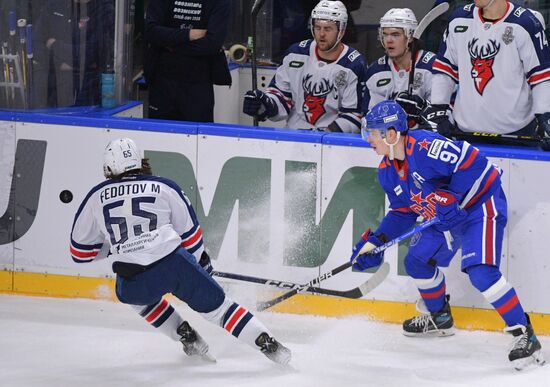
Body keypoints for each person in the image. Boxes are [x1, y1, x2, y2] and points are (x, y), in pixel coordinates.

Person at [351, 100, 544, 370]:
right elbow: (403, 211)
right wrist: (377, 241)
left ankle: (526, 335)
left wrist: (450, 196)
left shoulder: (427, 147)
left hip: (479, 206)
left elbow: (480, 167)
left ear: (391, 133)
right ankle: (440, 318)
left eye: (372, 132)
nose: (368, 138)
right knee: (416, 261)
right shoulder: (387, 171)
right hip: (445, 216)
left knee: (481, 272)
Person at [69, 138, 291, 365]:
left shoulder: (96, 196)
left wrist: (118, 246)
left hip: (133, 279)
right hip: (174, 264)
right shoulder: (165, 186)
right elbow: (192, 238)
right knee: (221, 311)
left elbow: (80, 253)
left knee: (136, 299)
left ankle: (186, 335)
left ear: (108, 167)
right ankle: (269, 344)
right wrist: (200, 268)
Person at [424, 0, 550, 139]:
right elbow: (445, 69)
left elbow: (540, 76)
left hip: (517, 132)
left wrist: (544, 115)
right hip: (464, 131)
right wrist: (438, 107)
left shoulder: (526, 23)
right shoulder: (458, 19)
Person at [242, 0, 366, 133]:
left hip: (332, 143)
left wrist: (323, 135)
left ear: (341, 30)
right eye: (318, 27)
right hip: (295, 137)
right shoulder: (295, 53)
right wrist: (264, 105)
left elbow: (355, 115)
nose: (321, 34)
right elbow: (282, 98)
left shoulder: (353, 64)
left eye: (328, 29)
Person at [144, 0, 231, 122]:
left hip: (198, 86)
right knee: (159, 137)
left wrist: (170, 45)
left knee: (199, 138)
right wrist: (189, 34)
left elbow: (212, 44)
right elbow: (150, 31)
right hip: (162, 83)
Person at [363, 8, 437, 127]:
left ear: (411, 36)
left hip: (423, 140)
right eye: (385, 34)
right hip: (387, 139)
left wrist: (423, 109)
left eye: (395, 35)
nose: (389, 40)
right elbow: (369, 119)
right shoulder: (375, 71)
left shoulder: (432, 66)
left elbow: (444, 116)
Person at [34, 0, 115, 108]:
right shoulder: (54, 5)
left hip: (89, 92)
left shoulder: (104, 9)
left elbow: (91, 52)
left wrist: (55, 45)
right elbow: (36, 45)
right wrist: (58, 65)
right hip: (53, 90)